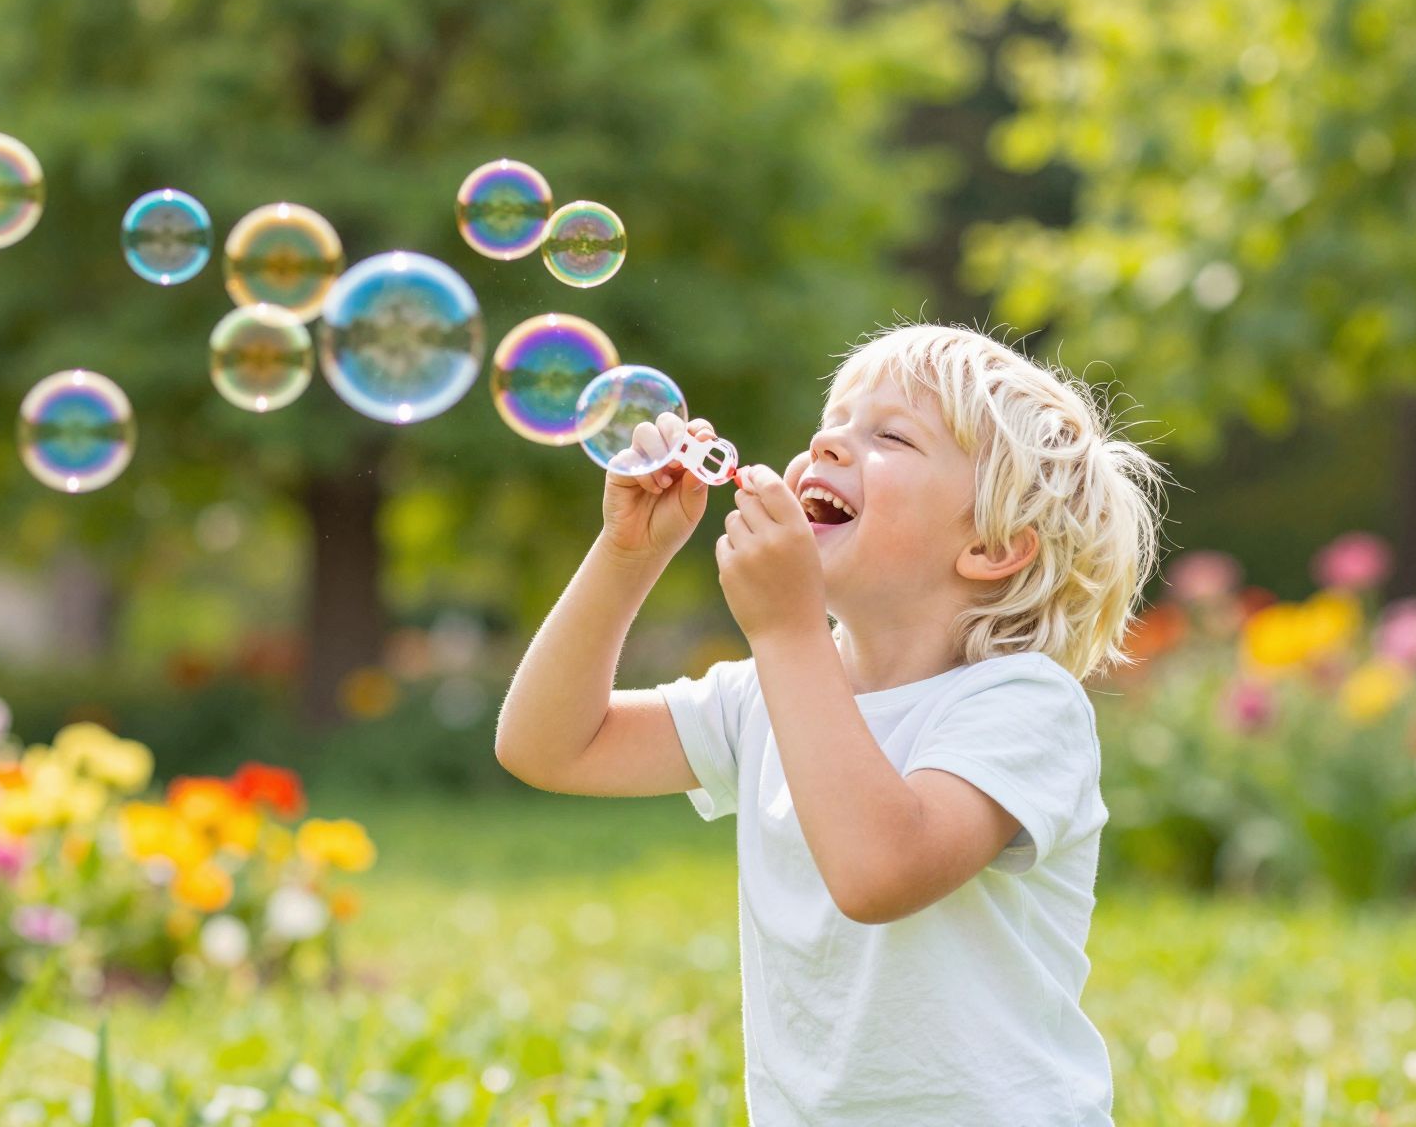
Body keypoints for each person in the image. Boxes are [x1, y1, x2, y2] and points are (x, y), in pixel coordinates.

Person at [496, 323, 1165, 1124]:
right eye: (834, 422)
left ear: (992, 547)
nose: (827, 443)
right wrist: (627, 555)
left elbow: (879, 873)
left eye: (891, 436)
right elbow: (548, 747)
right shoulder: (770, 693)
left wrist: (787, 630)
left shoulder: (1022, 703)